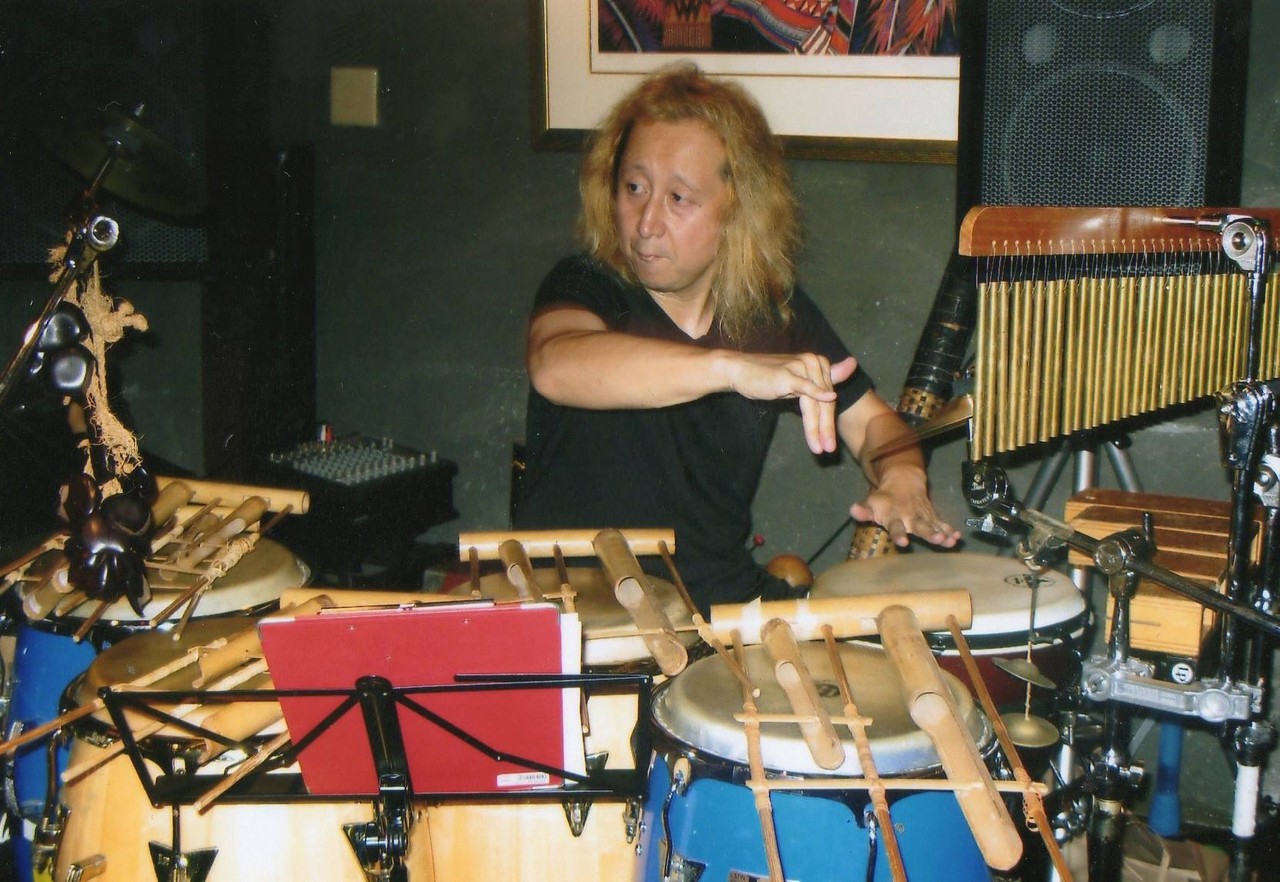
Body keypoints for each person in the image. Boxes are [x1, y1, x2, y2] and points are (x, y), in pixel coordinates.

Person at [512, 62, 958, 615]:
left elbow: (871, 424)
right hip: (580, 612)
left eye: (679, 198)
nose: (646, 222)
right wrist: (734, 370)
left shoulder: (769, 311)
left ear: (737, 210)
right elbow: (556, 365)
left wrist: (903, 474)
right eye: (634, 188)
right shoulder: (586, 285)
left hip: (719, 608)